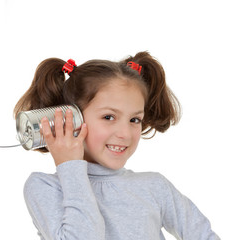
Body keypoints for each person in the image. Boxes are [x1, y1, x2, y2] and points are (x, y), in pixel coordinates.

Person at [14, 52, 220, 239]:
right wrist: (70, 166)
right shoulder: (45, 187)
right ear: (71, 119)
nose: (125, 134)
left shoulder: (155, 186)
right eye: (109, 116)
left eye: (134, 120)